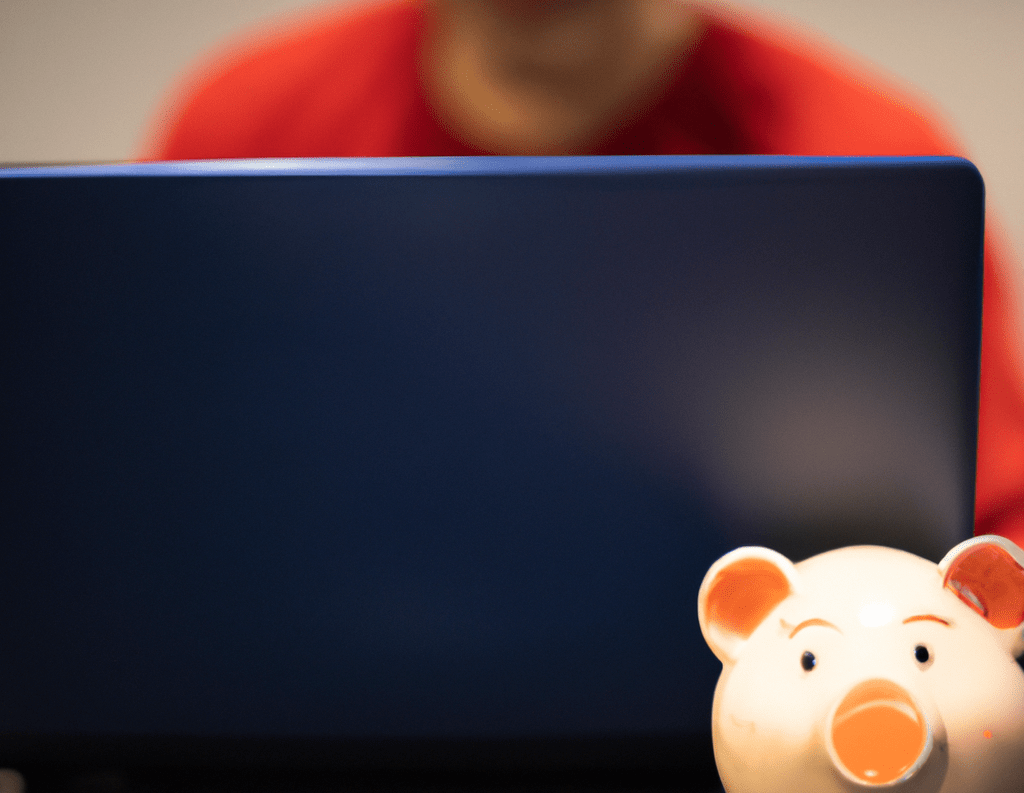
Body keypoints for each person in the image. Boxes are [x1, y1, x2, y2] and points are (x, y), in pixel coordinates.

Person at [145, 0, 1024, 547]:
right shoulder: (243, 128)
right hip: (301, 744)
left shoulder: (871, 160)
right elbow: (150, 502)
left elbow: (991, 535)